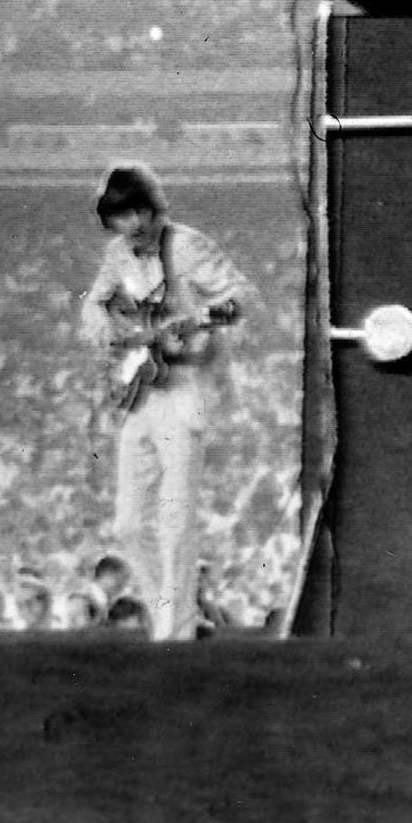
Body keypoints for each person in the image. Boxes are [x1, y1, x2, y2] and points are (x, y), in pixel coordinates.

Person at [79, 162, 252, 643]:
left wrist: (204, 320)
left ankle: (173, 631)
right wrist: (112, 333)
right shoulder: (117, 255)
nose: (130, 227)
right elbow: (94, 303)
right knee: (129, 524)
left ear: (153, 210)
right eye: (119, 218)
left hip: (183, 388)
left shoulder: (188, 246)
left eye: (137, 214)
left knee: (176, 517)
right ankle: (174, 616)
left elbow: (236, 296)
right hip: (141, 390)